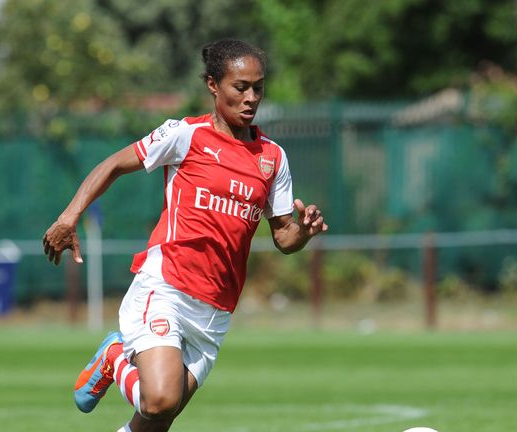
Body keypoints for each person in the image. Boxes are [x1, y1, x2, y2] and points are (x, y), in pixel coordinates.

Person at [42, 38, 328, 432]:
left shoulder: (273, 158)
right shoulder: (185, 135)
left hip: (215, 312)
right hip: (167, 288)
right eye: (239, 87)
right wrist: (70, 215)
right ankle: (113, 355)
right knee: (159, 400)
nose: (250, 98)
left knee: (153, 423)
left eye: (257, 88)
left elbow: (283, 237)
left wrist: (305, 233)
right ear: (213, 85)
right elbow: (112, 165)